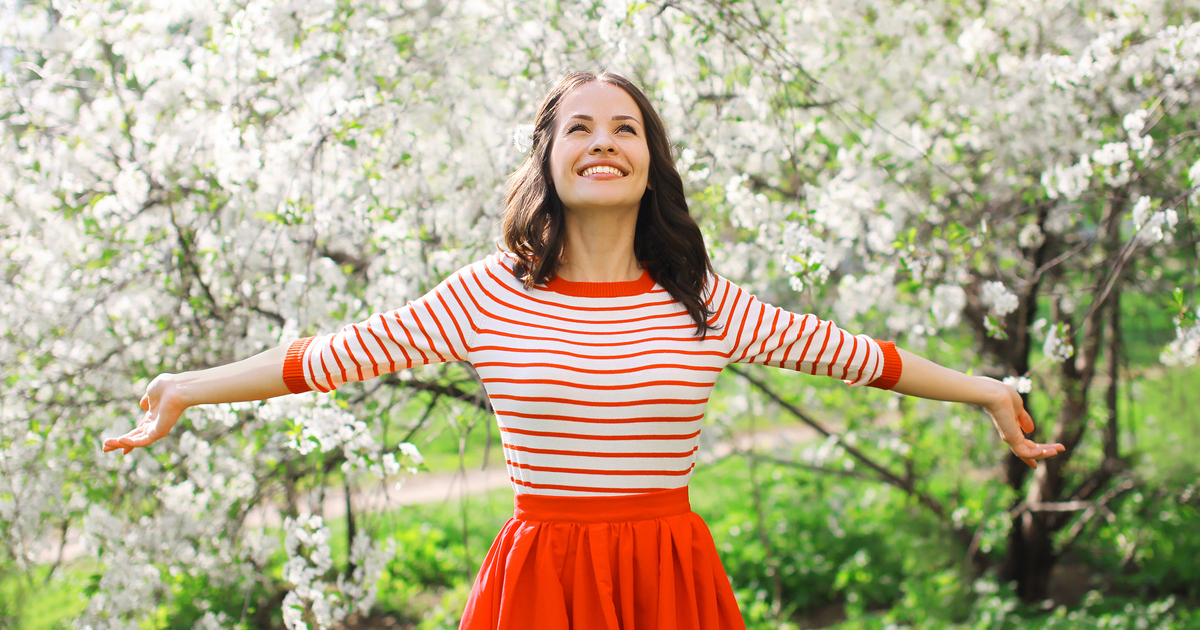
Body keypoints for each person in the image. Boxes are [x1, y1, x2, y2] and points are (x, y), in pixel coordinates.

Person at [104, 70, 1065, 630]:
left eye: (626, 129)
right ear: (549, 161)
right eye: (580, 129)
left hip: (669, 574)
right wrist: (186, 388)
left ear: (650, 163)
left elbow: (858, 357)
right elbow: (329, 356)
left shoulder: (698, 303)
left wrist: (986, 390)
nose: (604, 142)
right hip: (541, 579)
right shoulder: (490, 295)